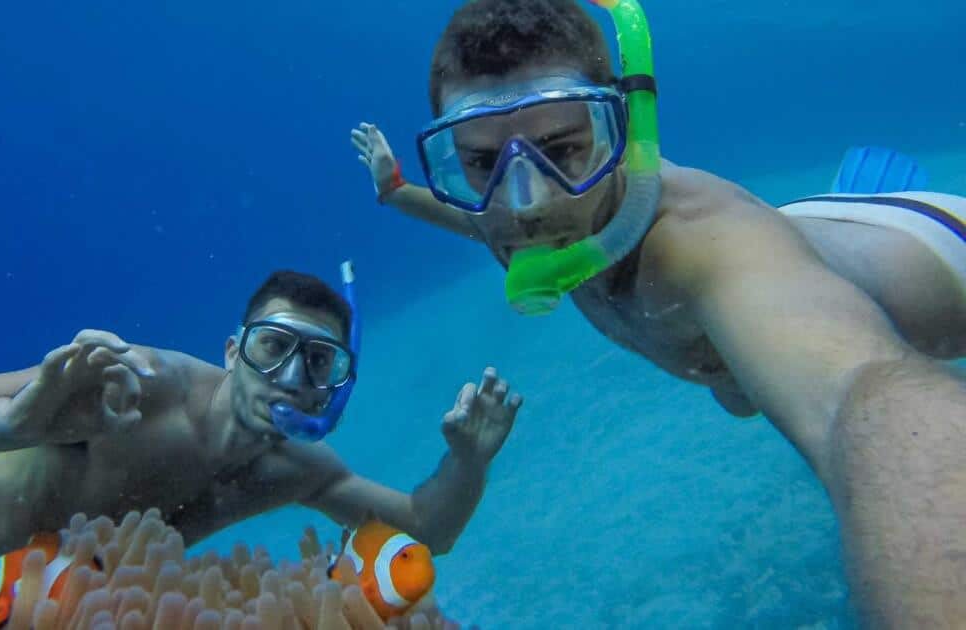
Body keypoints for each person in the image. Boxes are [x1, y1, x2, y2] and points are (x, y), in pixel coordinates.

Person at [348, 0, 966, 624]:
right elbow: (478, 221)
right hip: (832, 226)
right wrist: (398, 193)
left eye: (560, 151)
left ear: (621, 131)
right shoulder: (535, 223)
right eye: (481, 162)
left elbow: (859, 398)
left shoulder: (699, 249)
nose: (524, 205)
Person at [0, 266, 522, 606]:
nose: (290, 374)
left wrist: (466, 461)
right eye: (273, 346)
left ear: (337, 382)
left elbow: (423, 530)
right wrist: (3, 424)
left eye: (318, 361)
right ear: (232, 351)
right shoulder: (139, 384)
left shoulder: (296, 471)